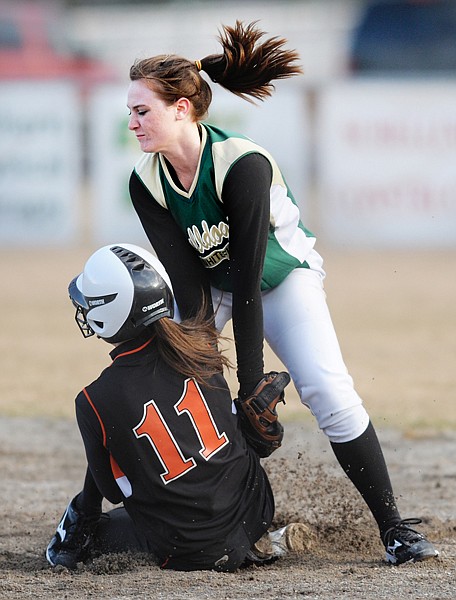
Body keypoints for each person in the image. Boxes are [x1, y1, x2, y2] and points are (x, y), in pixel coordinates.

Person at [125, 20, 438, 565]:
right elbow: (192, 285)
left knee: (329, 393)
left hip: (282, 278)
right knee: (155, 378)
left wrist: (250, 382)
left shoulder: (241, 164)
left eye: (141, 110)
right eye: (130, 111)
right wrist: (207, 375)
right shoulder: (145, 181)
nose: (132, 122)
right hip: (214, 290)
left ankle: (394, 529)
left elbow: (248, 278)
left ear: (181, 108)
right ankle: (101, 515)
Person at [46, 243, 308, 572]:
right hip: (257, 507)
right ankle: (264, 539)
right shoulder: (200, 345)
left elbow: (113, 490)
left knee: (101, 530)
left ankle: (236, 548)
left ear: (108, 314)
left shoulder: (93, 399)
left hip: (189, 551)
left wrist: (85, 510)